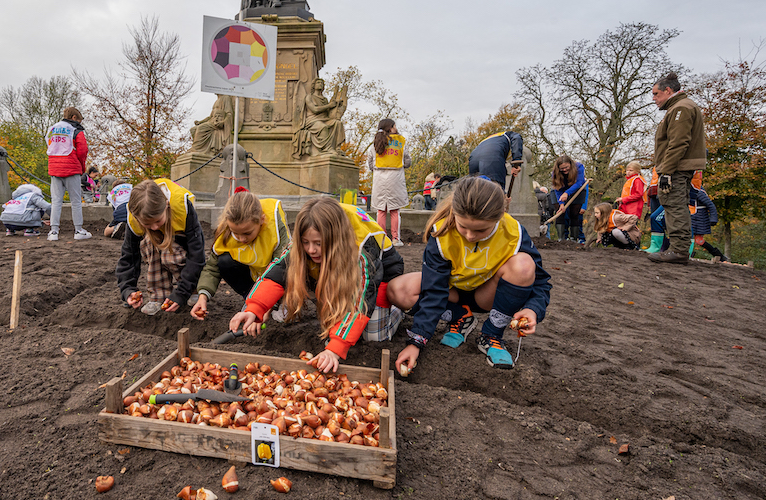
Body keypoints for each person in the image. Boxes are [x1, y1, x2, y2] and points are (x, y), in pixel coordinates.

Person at [228, 198, 410, 372]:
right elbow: (277, 273)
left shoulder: (362, 252)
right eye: (305, 242)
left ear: (335, 240)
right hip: (331, 272)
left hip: (380, 277)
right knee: (328, 307)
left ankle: (396, 310)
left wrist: (335, 349)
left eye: (318, 244)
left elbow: (361, 301)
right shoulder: (304, 249)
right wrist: (253, 309)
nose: (311, 249)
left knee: (374, 337)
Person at [393, 177, 552, 371]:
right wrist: (417, 341)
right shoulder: (442, 233)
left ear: (500, 216)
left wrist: (533, 309)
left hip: (489, 296)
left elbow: (541, 281)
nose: (469, 236)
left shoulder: (514, 233)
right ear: (454, 213)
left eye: (480, 230)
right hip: (451, 294)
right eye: (463, 227)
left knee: (524, 265)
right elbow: (434, 291)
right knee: (397, 290)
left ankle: (491, 334)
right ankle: (461, 317)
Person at [192, 191, 289, 320]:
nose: (242, 238)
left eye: (247, 233)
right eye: (236, 233)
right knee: (224, 262)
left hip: (277, 277)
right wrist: (202, 297)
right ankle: (251, 298)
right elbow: (212, 268)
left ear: (262, 219)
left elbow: (282, 269)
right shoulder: (225, 234)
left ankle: (282, 303)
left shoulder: (275, 230)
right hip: (255, 274)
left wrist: (267, 306)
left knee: (287, 269)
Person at [116, 178, 206, 315]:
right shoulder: (133, 219)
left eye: (158, 221)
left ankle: (193, 290)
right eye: (147, 224)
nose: (154, 227)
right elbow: (129, 256)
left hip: (180, 244)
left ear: (166, 205)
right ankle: (159, 296)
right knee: (147, 244)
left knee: (171, 254)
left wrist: (182, 293)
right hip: (154, 245)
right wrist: (128, 289)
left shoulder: (182, 208)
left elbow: (197, 254)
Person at [649, 72, 707, 264]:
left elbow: (678, 143)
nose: (654, 99)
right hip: (679, 166)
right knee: (675, 204)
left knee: (674, 204)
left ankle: (679, 251)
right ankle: (678, 249)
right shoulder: (681, 107)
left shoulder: (681, 108)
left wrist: (666, 171)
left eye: (656, 94)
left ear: (668, 90)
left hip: (677, 167)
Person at [46, 107, 91, 242]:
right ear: (74, 118)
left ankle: (53, 231)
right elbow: (83, 151)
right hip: (71, 168)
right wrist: (81, 167)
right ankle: (78, 230)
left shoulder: (52, 129)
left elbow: (49, 145)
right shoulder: (76, 130)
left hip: (55, 168)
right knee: (76, 201)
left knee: (56, 201)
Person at [366, 119, 411, 247]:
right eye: (395, 125)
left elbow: (370, 162)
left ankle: (381, 238)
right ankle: (396, 238)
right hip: (395, 178)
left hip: (379, 179)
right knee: (394, 210)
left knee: (380, 210)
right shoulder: (400, 142)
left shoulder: (375, 143)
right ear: (390, 128)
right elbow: (407, 160)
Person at [292, 78, 347, 158]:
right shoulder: (309, 97)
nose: (320, 84)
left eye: (322, 83)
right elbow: (314, 109)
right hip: (312, 120)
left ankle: (337, 148)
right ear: (314, 85)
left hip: (324, 119)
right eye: (318, 83)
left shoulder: (324, 99)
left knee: (338, 123)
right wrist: (329, 106)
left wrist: (337, 106)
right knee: (323, 127)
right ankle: (326, 149)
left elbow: (327, 113)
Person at [689, 177, 727, 261]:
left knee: (698, 240)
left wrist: (713, 218)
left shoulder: (698, 191)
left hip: (699, 218)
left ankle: (719, 256)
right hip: (693, 217)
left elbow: (710, 205)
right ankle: (690, 253)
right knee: (692, 238)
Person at [551, 155, 587, 242]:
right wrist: (561, 204)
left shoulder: (579, 167)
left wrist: (567, 193)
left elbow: (579, 183)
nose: (564, 170)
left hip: (577, 190)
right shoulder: (555, 172)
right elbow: (557, 187)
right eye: (562, 168)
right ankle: (561, 239)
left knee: (575, 214)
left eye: (566, 167)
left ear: (570, 164)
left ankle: (574, 239)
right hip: (560, 191)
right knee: (560, 212)